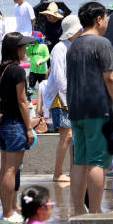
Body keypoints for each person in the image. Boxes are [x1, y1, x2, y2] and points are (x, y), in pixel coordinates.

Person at [0, 32, 34, 223]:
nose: (26, 50)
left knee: (5, 169)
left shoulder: (0, 69)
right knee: (12, 170)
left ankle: (6, 211)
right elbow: (22, 101)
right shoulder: (18, 71)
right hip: (16, 125)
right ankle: (8, 213)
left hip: (3, 127)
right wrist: (28, 128)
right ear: (16, 49)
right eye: (23, 47)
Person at [38, 14, 81, 184]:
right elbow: (58, 76)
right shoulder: (59, 48)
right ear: (74, 31)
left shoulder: (73, 47)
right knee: (67, 136)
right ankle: (57, 173)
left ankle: (72, 171)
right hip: (59, 97)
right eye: (79, 29)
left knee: (72, 137)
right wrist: (67, 98)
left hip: (71, 97)